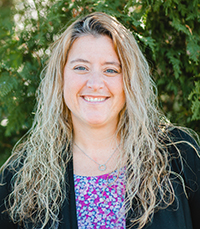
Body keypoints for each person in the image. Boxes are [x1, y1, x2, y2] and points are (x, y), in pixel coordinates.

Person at [0, 12, 200, 229]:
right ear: (60, 77)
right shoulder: (20, 178)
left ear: (129, 82)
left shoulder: (179, 155)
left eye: (111, 70)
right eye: (81, 67)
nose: (95, 83)